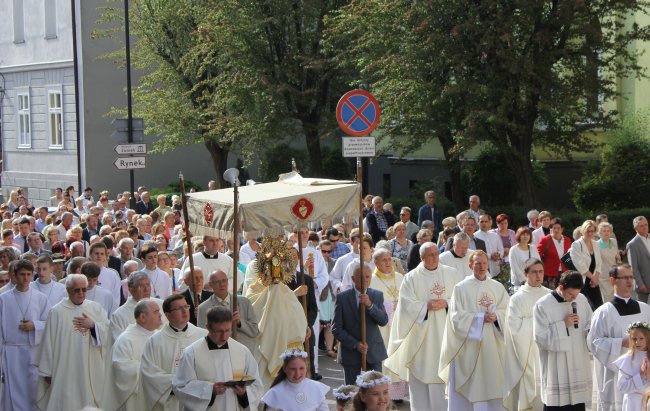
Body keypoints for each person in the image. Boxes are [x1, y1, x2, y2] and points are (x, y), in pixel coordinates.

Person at [384, 242, 462, 410]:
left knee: (443, 378)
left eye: (436, 253)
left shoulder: (451, 273)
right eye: (430, 255)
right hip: (420, 339)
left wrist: (447, 302)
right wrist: (425, 306)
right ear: (422, 258)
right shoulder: (411, 278)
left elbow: (460, 299)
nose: (435, 257)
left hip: (445, 334)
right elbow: (405, 306)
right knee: (420, 379)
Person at [438, 250, 509, 410]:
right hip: (469, 346)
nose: (482, 266)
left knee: (493, 383)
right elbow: (456, 318)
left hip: (493, 345)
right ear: (470, 265)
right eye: (477, 263)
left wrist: (497, 316)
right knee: (471, 388)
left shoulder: (497, 287)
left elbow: (508, 312)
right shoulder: (461, 288)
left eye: (484, 263)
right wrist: (480, 318)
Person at [37, 274, 110, 411]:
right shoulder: (57, 312)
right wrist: (47, 371)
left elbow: (108, 333)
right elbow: (48, 342)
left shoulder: (95, 308)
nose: (81, 293)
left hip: (90, 368)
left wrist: (93, 326)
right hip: (65, 368)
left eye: (84, 289)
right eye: (77, 290)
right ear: (69, 290)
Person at [172, 306, 263, 410]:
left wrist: (244, 393)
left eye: (227, 330)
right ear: (208, 327)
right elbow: (180, 386)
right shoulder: (191, 353)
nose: (224, 337)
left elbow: (257, 385)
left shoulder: (242, 351)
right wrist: (209, 391)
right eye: (218, 331)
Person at [588, 263, 650, 411]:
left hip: (645, 374)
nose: (629, 281)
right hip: (615, 376)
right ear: (612, 280)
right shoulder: (603, 312)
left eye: (631, 277)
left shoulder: (645, 309)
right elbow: (594, 343)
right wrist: (621, 342)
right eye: (624, 278)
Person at [533, 271, 593, 410]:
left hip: (577, 359)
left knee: (578, 403)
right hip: (556, 363)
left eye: (576, 295)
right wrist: (563, 325)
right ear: (561, 287)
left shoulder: (581, 299)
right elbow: (540, 337)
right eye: (571, 295)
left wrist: (590, 330)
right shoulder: (543, 305)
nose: (574, 299)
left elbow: (590, 322)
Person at [141, 294, 208, 411]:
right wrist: (179, 385)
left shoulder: (203, 336)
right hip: (171, 401)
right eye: (178, 309)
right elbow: (149, 373)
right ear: (167, 315)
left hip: (199, 399)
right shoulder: (155, 341)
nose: (184, 311)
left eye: (186, 306)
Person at [0, 259, 50, 411]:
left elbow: (49, 324)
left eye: (29, 274)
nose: (26, 278)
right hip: (11, 351)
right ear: (14, 276)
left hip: (32, 351)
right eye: (22, 274)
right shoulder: (3, 299)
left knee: (32, 390)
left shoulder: (41, 298)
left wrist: (35, 325)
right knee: (11, 391)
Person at [503, 258, 550, 411]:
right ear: (525, 274)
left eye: (541, 272)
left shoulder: (550, 296)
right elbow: (514, 329)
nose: (538, 276)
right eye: (534, 272)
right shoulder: (517, 299)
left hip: (548, 353)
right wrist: (542, 323)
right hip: (527, 354)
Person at [332, 265, 389, 384]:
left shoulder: (377, 295)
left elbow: (383, 320)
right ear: (353, 279)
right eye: (361, 277)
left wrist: (370, 305)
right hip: (351, 353)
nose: (365, 280)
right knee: (353, 391)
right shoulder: (343, 298)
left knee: (375, 387)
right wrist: (355, 344)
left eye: (368, 277)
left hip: (373, 351)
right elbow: (336, 328)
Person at [102, 299, 163, 411]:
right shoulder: (126, 340)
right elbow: (122, 369)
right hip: (136, 400)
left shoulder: (160, 336)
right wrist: (153, 373)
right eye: (156, 312)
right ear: (143, 317)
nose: (160, 315)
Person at [368, 248, 406, 402]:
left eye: (389, 259)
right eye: (383, 260)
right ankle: (383, 394)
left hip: (400, 325)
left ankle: (397, 395)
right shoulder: (371, 280)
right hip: (382, 328)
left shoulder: (400, 277)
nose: (388, 262)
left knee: (399, 357)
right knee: (385, 358)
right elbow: (371, 304)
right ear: (375, 262)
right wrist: (391, 305)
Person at [198, 270, 259, 355]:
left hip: (243, 352)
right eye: (217, 282)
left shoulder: (245, 302)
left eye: (224, 280)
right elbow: (202, 336)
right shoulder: (204, 308)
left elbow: (255, 331)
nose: (222, 284)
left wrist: (239, 323)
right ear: (210, 285)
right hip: (219, 354)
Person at [261, 349, 330, 410]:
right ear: (285, 369)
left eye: (301, 368)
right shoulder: (275, 392)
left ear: (306, 367)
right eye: (293, 369)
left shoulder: (315, 387)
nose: (297, 373)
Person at [110, 271, 166, 341]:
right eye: (141, 286)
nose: (146, 289)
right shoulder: (119, 315)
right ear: (130, 289)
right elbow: (119, 342)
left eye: (148, 285)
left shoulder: (161, 304)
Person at [613, 321, 650, 411]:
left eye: (641, 338)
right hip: (633, 403)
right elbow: (622, 387)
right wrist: (640, 376)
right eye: (634, 339)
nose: (637, 342)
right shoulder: (627, 360)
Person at [570, 220, 604, 309]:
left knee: (598, 306)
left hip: (594, 281)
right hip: (582, 281)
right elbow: (580, 266)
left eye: (592, 231)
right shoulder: (576, 245)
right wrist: (593, 278)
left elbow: (599, 263)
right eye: (588, 231)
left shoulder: (596, 244)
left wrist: (596, 278)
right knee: (583, 308)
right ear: (583, 231)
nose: (590, 233)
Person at [537, 218, 572, 289]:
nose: (556, 230)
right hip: (549, 274)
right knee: (550, 295)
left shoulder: (567, 240)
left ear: (562, 229)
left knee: (563, 295)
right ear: (551, 229)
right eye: (554, 228)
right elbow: (537, 256)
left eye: (558, 228)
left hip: (564, 274)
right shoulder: (545, 240)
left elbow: (570, 256)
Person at [627, 216, 650, 304]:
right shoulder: (632, 244)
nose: (645, 227)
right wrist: (640, 284)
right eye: (641, 226)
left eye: (646, 225)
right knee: (642, 310)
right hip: (643, 284)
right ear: (635, 228)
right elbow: (633, 267)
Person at [598, 222, 621, 303]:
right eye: (604, 231)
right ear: (599, 233)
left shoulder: (614, 241)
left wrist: (618, 259)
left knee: (617, 298)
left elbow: (617, 256)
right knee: (607, 300)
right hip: (604, 277)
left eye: (608, 231)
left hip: (615, 275)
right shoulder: (596, 245)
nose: (606, 232)